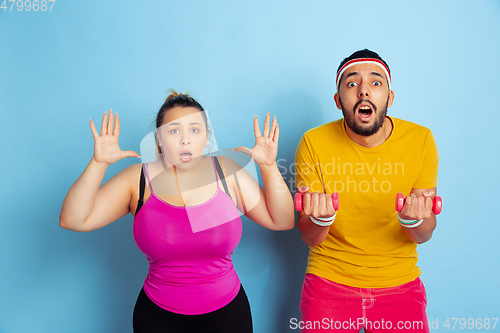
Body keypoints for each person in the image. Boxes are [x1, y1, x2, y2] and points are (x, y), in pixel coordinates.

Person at [59, 90, 294, 333]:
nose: (185, 139)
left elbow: (282, 220)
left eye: (195, 129)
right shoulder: (138, 180)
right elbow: (73, 219)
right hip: (158, 318)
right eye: (174, 130)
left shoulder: (227, 173)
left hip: (228, 316)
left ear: (206, 137)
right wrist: (98, 164)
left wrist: (268, 167)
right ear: (159, 139)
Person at [294, 50, 439, 333]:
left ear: (389, 97)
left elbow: (424, 235)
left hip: (400, 284)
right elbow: (308, 235)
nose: (364, 91)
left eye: (375, 83)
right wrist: (320, 219)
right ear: (338, 101)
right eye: (351, 84)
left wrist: (414, 220)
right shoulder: (313, 142)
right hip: (328, 281)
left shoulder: (421, 140)